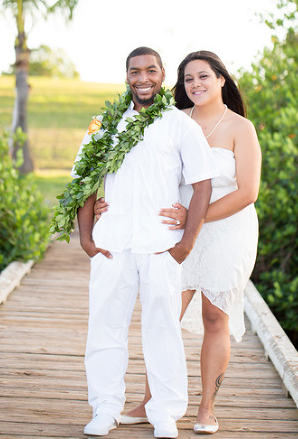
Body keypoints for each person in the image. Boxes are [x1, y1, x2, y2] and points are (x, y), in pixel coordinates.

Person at [97, 51, 261, 435]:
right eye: (188, 79)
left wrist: (196, 218)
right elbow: (135, 168)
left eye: (203, 76)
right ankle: (152, 400)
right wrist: (108, 200)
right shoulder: (169, 120)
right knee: (163, 314)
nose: (195, 85)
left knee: (214, 316)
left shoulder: (241, 128)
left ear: (222, 79)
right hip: (175, 231)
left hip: (226, 231)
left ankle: (207, 408)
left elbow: (248, 192)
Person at [76, 47, 217, 438]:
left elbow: (203, 184)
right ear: (126, 77)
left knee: (162, 329)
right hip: (112, 244)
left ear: (162, 75)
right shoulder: (103, 124)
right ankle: (105, 408)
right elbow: (84, 180)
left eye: (151, 70)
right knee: (105, 327)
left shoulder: (179, 126)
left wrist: (186, 243)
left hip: (161, 245)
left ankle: (164, 413)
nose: (143, 78)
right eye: (135, 71)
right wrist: (87, 239)